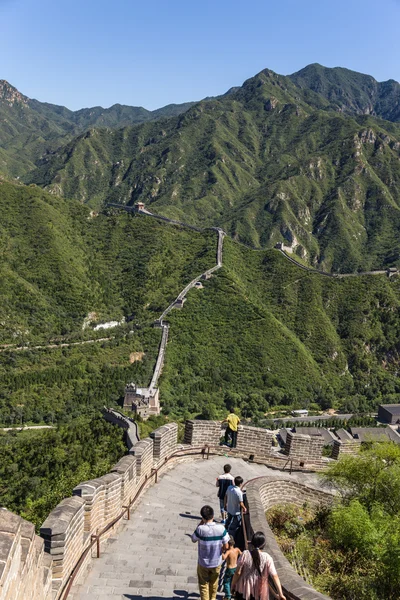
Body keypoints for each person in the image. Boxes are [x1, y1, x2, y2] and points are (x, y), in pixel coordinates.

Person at [231, 531, 286, 600]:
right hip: (259, 592)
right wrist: (280, 594)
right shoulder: (267, 557)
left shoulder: (245, 554)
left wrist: (232, 585)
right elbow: (275, 576)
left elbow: (237, 573)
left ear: (252, 542)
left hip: (243, 590)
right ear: (264, 544)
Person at [191, 505, 230, 600]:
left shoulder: (200, 529)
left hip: (203, 563)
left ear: (203, 518)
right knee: (214, 584)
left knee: (203, 585)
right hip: (216, 562)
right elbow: (226, 546)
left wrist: (201, 523)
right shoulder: (221, 528)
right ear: (213, 516)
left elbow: (193, 539)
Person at [222, 535, 242, 600]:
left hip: (229, 569)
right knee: (234, 581)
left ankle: (227, 596)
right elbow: (242, 554)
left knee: (226, 582)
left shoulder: (228, 552)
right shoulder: (237, 550)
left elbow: (223, 557)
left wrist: (221, 551)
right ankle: (234, 593)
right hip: (235, 568)